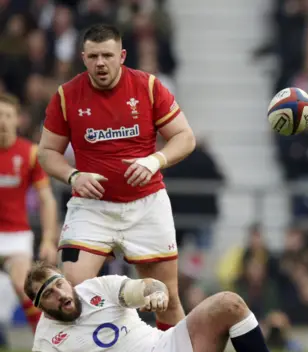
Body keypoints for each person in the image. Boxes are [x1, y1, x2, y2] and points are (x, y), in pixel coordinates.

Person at [37, 24, 194, 332]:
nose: (100, 63)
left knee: (167, 298)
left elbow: (184, 138)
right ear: (83, 58)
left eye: (107, 55)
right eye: (93, 56)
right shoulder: (67, 96)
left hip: (146, 203)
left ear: (121, 56)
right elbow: (46, 153)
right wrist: (73, 176)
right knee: (72, 290)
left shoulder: (148, 87)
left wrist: (154, 160)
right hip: (91, 207)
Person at [27, 262, 308, 352]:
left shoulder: (97, 287)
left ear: (66, 280)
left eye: (59, 284)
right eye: (48, 295)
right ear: (40, 306)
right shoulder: (45, 342)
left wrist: (157, 293)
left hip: (170, 344)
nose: (60, 294)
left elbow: (147, 287)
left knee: (229, 301)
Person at [0, 93, 58, 333]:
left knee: (24, 285)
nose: (2, 121)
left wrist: (48, 240)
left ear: (18, 120)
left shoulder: (30, 153)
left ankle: (44, 344)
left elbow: (46, 200)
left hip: (16, 233)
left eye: (7, 115)